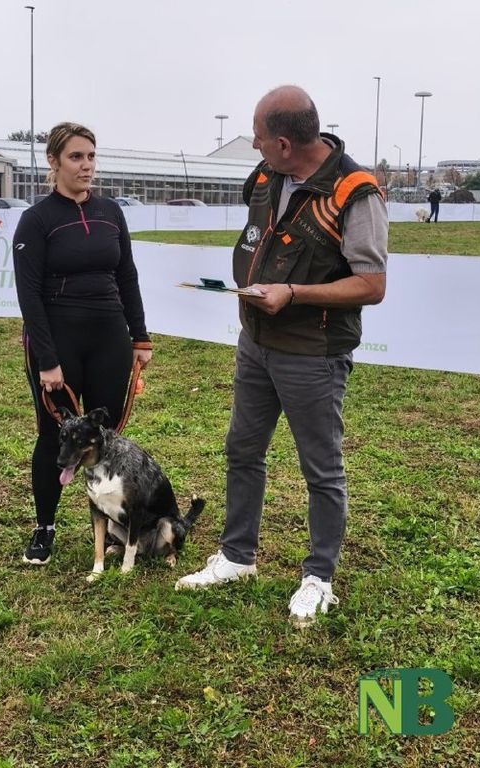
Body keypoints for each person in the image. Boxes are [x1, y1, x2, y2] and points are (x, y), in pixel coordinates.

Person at [175, 86, 388, 627]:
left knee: (321, 468)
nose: (255, 146)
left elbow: (371, 284)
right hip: (256, 343)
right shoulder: (268, 177)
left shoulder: (354, 192)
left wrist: (292, 294)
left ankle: (319, 577)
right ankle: (237, 556)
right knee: (242, 450)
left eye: (260, 137)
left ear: (286, 144)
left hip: (313, 353)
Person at [13, 122, 152, 565]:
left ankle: (113, 527)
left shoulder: (111, 212)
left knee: (106, 438)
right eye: (76, 157)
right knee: (53, 435)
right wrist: (47, 360)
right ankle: (45, 527)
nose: (86, 165)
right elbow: (28, 295)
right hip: (60, 342)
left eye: (91, 156)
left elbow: (127, 276)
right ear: (53, 162)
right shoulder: (37, 220)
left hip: (110, 338)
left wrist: (140, 336)